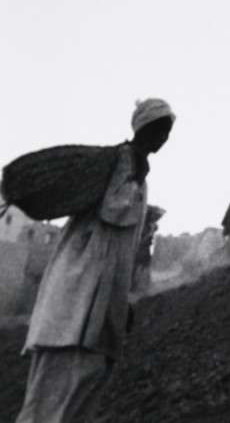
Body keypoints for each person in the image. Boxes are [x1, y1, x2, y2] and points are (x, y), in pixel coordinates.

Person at [16, 98, 175, 423]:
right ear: (145, 129)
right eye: (161, 130)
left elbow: (122, 245)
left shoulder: (136, 169)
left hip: (98, 291)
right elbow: (113, 210)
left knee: (86, 376)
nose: (165, 138)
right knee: (62, 381)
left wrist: (122, 300)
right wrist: (133, 181)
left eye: (168, 132)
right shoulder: (123, 160)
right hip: (79, 286)